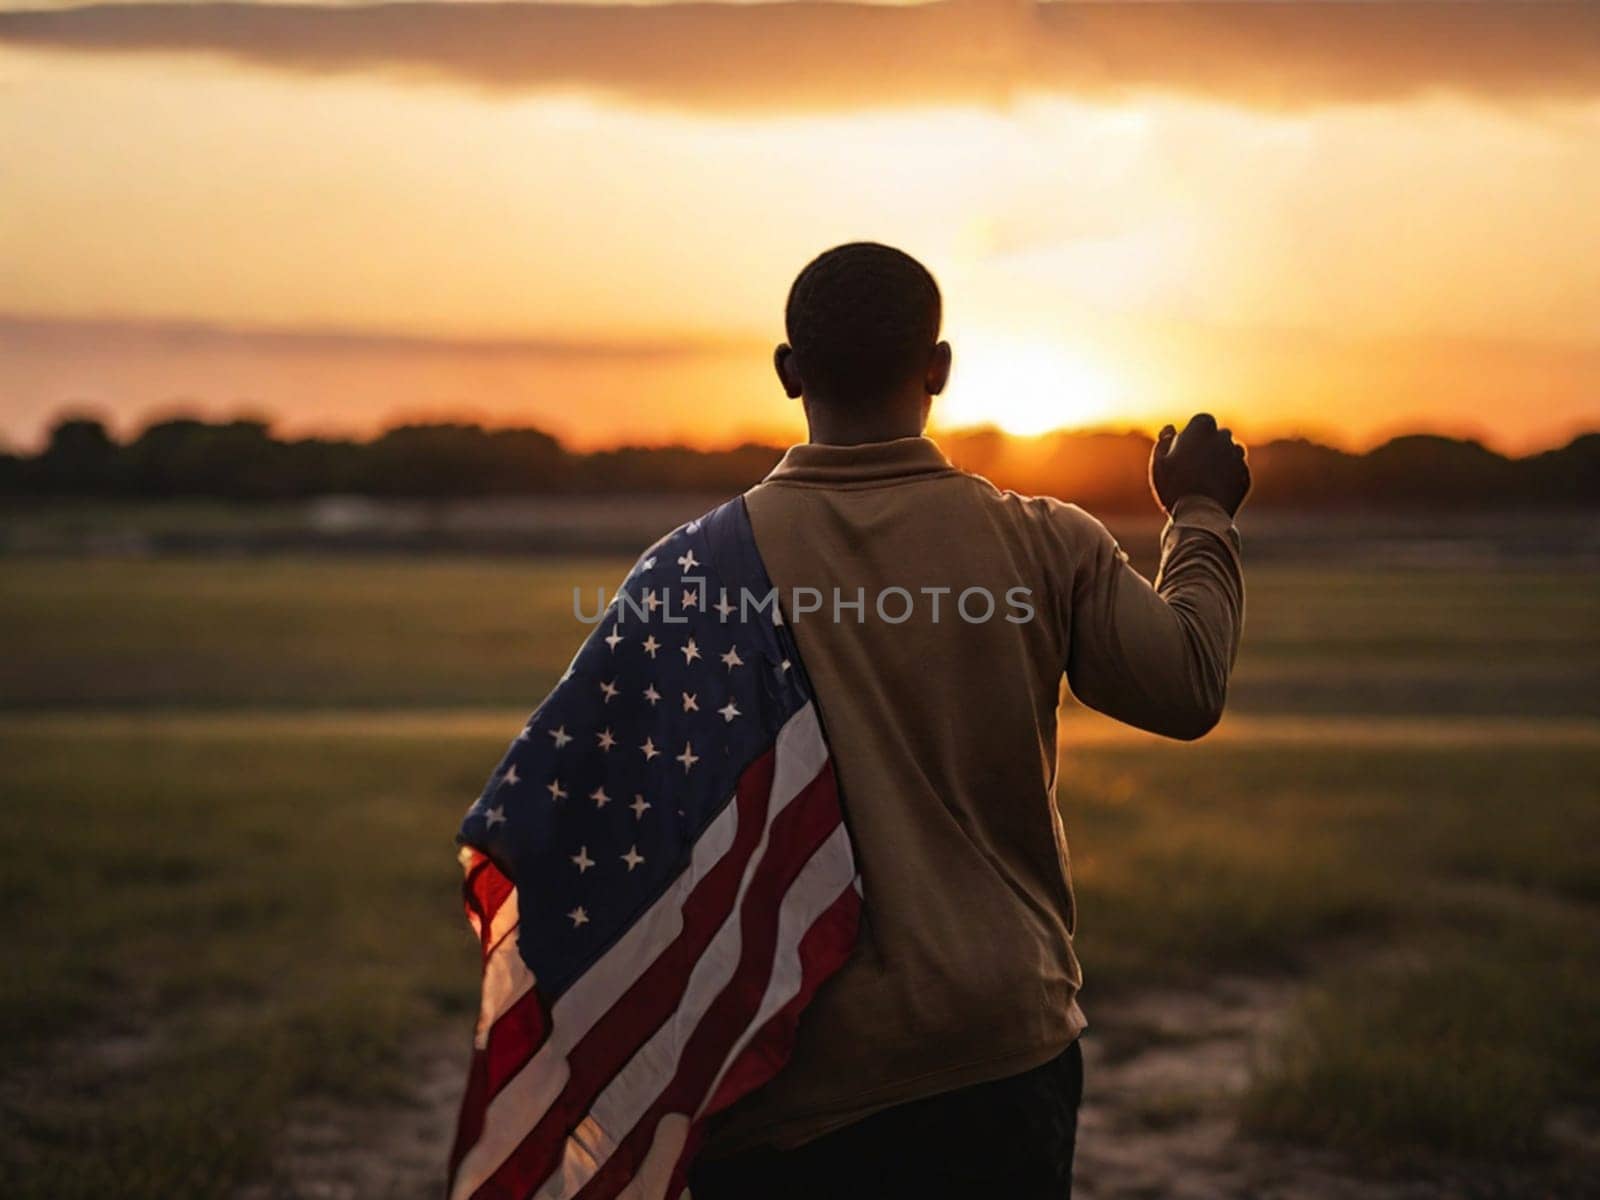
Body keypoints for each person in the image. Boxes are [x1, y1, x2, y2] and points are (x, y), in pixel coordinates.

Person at [687, 242, 1248, 1198]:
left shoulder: (699, 570)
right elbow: (1188, 684)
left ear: (789, 372)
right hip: (996, 1048)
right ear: (938, 368)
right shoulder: (1044, 541)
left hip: (780, 1063)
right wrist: (1199, 512)